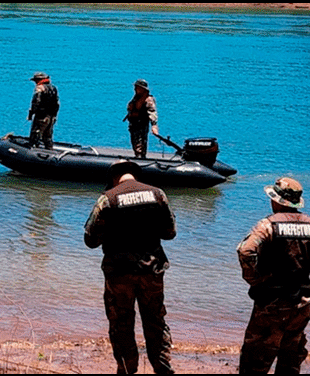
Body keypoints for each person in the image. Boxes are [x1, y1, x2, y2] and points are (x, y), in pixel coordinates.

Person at [236, 177, 310, 374]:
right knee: (289, 362)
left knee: (254, 363)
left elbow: (246, 251)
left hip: (271, 303)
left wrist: (255, 279)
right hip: (301, 305)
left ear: (276, 200)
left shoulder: (268, 225)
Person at [84, 160, 177, 374]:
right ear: (135, 174)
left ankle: (127, 369)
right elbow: (170, 233)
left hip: (119, 274)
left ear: (114, 177)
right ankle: (163, 368)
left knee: (121, 323)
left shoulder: (108, 199)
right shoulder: (157, 194)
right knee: (155, 321)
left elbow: (90, 240)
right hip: (152, 272)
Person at [123, 79, 159, 159]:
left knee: (140, 146)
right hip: (133, 126)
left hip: (141, 126)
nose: (135, 89)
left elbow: (152, 112)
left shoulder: (148, 99)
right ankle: (138, 157)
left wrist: (154, 125)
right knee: (135, 144)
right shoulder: (136, 97)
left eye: (137, 87)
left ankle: (141, 159)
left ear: (142, 89)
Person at [27, 71, 59, 150]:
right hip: (51, 116)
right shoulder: (53, 88)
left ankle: (33, 150)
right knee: (47, 136)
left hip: (41, 116)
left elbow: (36, 102)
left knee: (35, 134)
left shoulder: (40, 88)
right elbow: (57, 103)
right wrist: (54, 115)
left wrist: (31, 114)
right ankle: (49, 149)